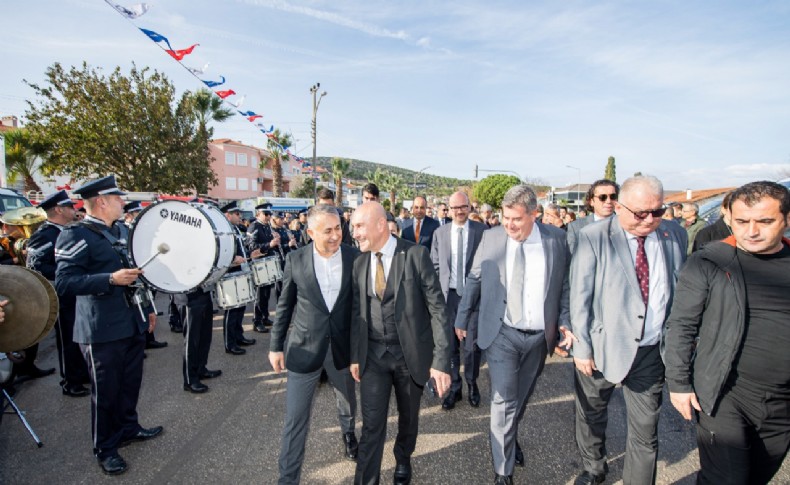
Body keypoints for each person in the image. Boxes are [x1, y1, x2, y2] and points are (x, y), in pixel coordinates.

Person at [664, 181, 790, 485]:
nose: (752, 231)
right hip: (724, 394)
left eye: (765, 221)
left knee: (757, 476)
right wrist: (679, 384)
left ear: (786, 220)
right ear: (729, 219)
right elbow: (681, 324)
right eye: (742, 221)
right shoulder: (709, 262)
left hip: (782, 401)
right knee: (726, 479)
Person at [570, 175, 687, 485]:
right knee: (591, 415)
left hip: (651, 352)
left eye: (657, 212)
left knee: (645, 432)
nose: (650, 220)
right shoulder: (593, 237)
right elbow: (579, 296)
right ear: (619, 207)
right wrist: (581, 348)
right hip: (601, 349)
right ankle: (594, 469)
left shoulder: (675, 235)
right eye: (640, 213)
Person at [455, 185, 574, 485]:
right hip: (501, 333)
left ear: (535, 214)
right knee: (503, 400)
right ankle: (502, 471)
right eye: (505, 217)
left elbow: (566, 288)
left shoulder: (557, 240)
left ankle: (507, 437)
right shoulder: (491, 237)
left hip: (538, 338)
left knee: (520, 397)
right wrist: (462, 317)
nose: (509, 225)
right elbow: (475, 279)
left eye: (516, 219)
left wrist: (564, 321)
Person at [55, 175, 163, 476]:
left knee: (130, 383)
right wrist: (109, 279)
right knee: (106, 391)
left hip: (132, 321)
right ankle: (106, 448)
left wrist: (148, 309)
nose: (122, 203)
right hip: (101, 329)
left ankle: (128, 428)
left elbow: (136, 273)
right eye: (117, 198)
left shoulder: (121, 230)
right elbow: (63, 283)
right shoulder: (76, 234)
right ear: (101, 201)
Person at [349, 202, 451, 485]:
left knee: (408, 419)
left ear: (380, 225)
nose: (354, 233)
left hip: (410, 356)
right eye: (353, 226)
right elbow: (358, 313)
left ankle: (403, 457)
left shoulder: (416, 255)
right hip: (373, 357)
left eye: (359, 226)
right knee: (371, 426)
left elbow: (438, 309)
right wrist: (356, 355)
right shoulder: (359, 263)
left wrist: (441, 361)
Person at [269, 204, 360, 483]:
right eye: (327, 230)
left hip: (343, 349)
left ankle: (348, 433)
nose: (335, 235)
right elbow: (284, 306)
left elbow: (359, 311)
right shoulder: (296, 259)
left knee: (347, 401)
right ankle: (288, 478)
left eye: (338, 228)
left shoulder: (355, 257)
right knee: (295, 421)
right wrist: (275, 346)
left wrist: (358, 352)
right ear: (310, 232)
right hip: (304, 349)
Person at [26, 190, 89, 396]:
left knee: (79, 336)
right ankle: (70, 381)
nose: (74, 210)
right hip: (61, 294)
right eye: (70, 207)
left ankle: (81, 373)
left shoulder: (71, 230)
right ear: (58, 209)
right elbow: (34, 265)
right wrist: (65, 273)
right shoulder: (45, 235)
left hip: (76, 292)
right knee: (68, 339)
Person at [430, 191, 486, 410]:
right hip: (449, 297)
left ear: (470, 207)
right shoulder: (440, 233)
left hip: (473, 298)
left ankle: (472, 384)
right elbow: (435, 267)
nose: (459, 211)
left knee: (472, 346)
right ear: (448, 210)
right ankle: (455, 387)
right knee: (450, 346)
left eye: (463, 206)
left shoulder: (482, 231)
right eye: (454, 208)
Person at [123, 201, 167, 350]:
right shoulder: (124, 230)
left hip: (144, 276)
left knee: (148, 307)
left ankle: (148, 338)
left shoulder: (140, 231)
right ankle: (142, 342)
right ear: (128, 215)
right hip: (131, 279)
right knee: (138, 310)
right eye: (137, 213)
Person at [221, 201, 257, 355]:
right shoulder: (222, 231)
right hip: (229, 273)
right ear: (227, 215)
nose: (240, 216)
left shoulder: (235, 228)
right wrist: (231, 260)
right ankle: (230, 343)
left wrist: (250, 255)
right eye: (236, 214)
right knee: (232, 310)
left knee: (241, 306)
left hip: (240, 270)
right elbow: (219, 252)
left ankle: (238, 336)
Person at [248, 204, 278, 333]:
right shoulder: (255, 226)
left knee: (266, 294)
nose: (268, 216)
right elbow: (251, 246)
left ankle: (265, 317)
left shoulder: (267, 227)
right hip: (260, 264)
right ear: (258, 214)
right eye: (265, 214)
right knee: (260, 295)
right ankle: (257, 321)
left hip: (267, 263)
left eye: (269, 214)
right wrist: (269, 244)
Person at [567, 179, 619, 254]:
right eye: (602, 197)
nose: (608, 201)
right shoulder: (576, 227)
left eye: (613, 196)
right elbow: (572, 258)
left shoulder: (625, 225)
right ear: (591, 201)